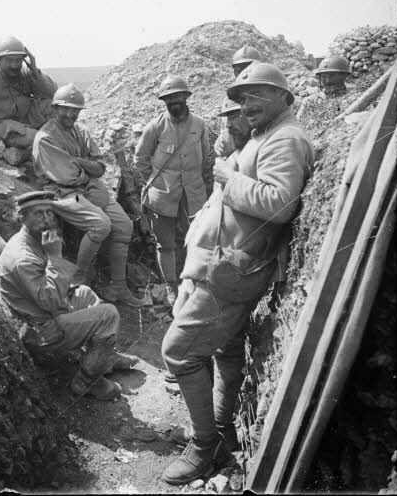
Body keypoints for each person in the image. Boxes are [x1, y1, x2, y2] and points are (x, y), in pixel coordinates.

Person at [160, 62, 315, 485]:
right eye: (242, 97)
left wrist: (229, 178)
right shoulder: (267, 135)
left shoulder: (285, 138)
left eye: (257, 94)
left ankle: (204, 447)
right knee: (225, 350)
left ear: (283, 96)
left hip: (233, 271)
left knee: (178, 352)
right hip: (225, 264)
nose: (247, 104)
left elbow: (280, 204)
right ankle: (219, 428)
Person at [0, 190, 138, 401]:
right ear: (22, 217)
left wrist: (57, 262)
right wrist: (55, 257)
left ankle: (102, 358)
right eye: (38, 214)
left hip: (42, 313)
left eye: (49, 213)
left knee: (85, 293)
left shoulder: (34, 239)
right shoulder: (23, 257)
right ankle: (87, 383)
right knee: (109, 315)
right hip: (39, 332)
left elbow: (51, 290)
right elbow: (51, 302)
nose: (46, 219)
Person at [32, 84, 144, 308]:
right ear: (55, 108)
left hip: (90, 188)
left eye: (75, 110)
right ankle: (79, 278)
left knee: (124, 225)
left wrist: (80, 162)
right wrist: (87, 168)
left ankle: (118, 287)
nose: (70, 114)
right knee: (100, 224)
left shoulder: (81, 132)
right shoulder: (45, 138)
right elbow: (67, 177)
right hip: (61, 192)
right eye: (65, 109)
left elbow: (100, 168)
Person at [134, 75, 213, 307]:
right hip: (162, 195)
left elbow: (206, 156)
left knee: (197, 240)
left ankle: (195, 284)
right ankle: (170, 286)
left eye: (178, 96)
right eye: (169, 98)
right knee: (165, 244)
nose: (174, 100)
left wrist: (196, 180)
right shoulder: (155, 127)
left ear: (186, 96)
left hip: (193, 193)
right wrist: (157, 182)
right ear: (164, 101)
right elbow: (140, 159)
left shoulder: (199, 125)